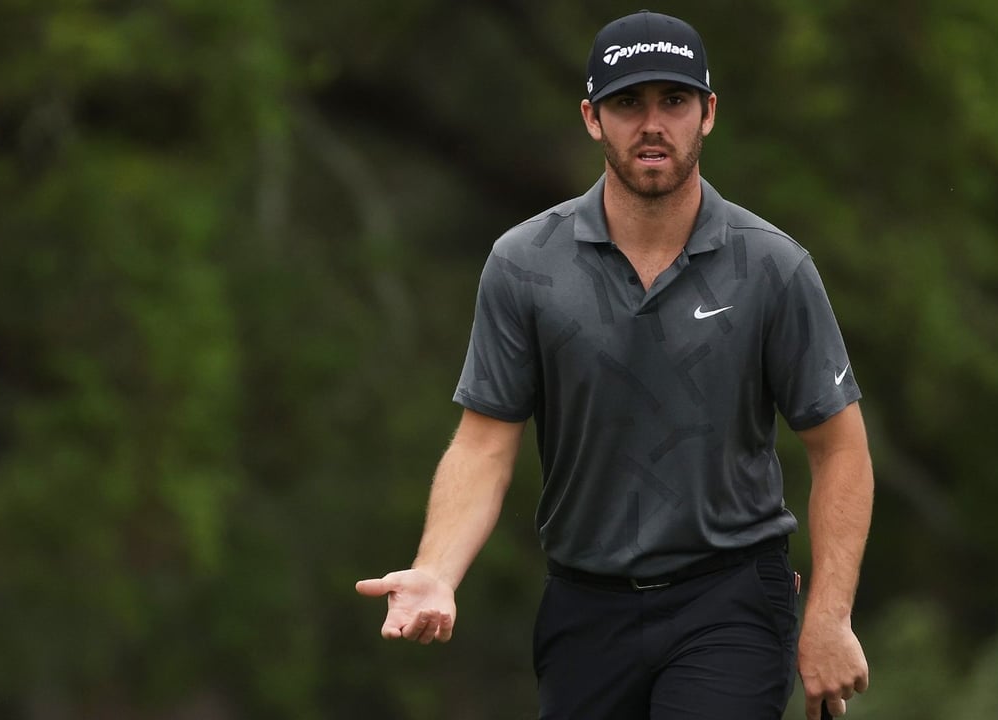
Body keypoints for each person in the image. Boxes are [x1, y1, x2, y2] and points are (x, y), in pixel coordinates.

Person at [357, 10, 873, 720]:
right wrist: (437, 570)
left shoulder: (772, 267)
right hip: (585, 606)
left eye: (674, 101)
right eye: (628, 103)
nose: (652, 123)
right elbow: (483, 443)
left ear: (708, 114)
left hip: (729, 599)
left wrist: (829, 616)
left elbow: (840, 449)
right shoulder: (525, 264)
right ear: (593, 119)